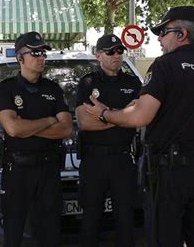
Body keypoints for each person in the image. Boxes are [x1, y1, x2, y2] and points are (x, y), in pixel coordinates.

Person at [83, 6, 194, 246]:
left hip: (170, 176)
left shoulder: (165, 66)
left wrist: (105, 113)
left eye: (163, 32)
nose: (160, 39)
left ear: (181, 34)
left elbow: (140, 117)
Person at [0, 31, 72, 247]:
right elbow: (12, 128)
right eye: (35, 53)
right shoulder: (7, 88)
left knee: (50, 232)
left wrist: (25, 126)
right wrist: (48, 120)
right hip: (17, 171)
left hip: (49, 170)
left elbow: (66, 129)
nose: (41, 58)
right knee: (13, 231)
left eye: (43, 53)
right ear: (20, 58)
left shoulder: (52, 89)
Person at [75, 34, 142, 247]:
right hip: (94, 159)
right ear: (98, 56)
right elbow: (85, 122)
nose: (117, 55)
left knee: (125, 218)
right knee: (90, 219)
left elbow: (140, 117)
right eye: (110, 51)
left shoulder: (133, 83)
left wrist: (104, 114)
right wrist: (123, 116)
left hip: (123, 159)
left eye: (120, 51)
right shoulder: (87, 83)